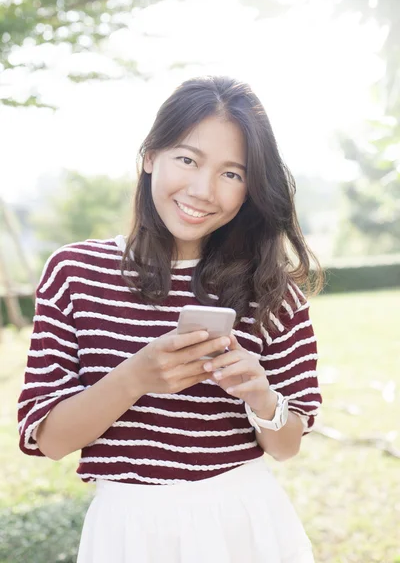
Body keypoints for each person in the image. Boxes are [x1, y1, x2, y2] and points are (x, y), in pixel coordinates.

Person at [18, 75, 323, 563]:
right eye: (188, 159)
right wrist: (136, 377)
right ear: (150, 156)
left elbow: (286, 446)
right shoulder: (74, 273)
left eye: (232, 174)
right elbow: (49, 440)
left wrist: (260, 394)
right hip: (128, 531)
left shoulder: (272, 290)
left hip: (244, 522)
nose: (203, 190)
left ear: (250, 188)